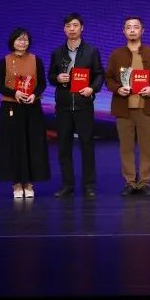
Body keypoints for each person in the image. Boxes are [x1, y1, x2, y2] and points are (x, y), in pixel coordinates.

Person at [105, 16, 150, 196]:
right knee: (126, 147)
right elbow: (108, 78)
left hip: (146, 108)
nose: (132, 30)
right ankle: (130, 182)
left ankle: (145, 182)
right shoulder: (116, 54)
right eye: (128, 27)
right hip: (123, 109)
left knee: (147, 147)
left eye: (136, 27)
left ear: (142, 31)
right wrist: (118, 89)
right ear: (124, 31)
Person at [48, 13, 104, 198]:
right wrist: (57, 78)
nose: (71, 29)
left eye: (75, 25)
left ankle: (89, 185)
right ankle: (67, 185)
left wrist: (92, 88)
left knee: (87, 145)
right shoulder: (57, 52)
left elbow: (99, 74)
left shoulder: (91, 51)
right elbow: (50, 76)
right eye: (68, 26)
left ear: (82, 28)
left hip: (83, 105)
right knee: (64, 147)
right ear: (64, 29)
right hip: (63, 106)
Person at [0, 27, 50, 198]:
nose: (22, 42)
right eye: (19, 39)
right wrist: (15, 93)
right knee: (14, 145)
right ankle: (17, 183)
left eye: (25, 39)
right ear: (12, 42)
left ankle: (29, 183)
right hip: (11, 107)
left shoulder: (36, 60)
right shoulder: (4, 61)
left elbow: (42, 84)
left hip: (32, 106)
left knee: (32, 144)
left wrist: (35, 95)